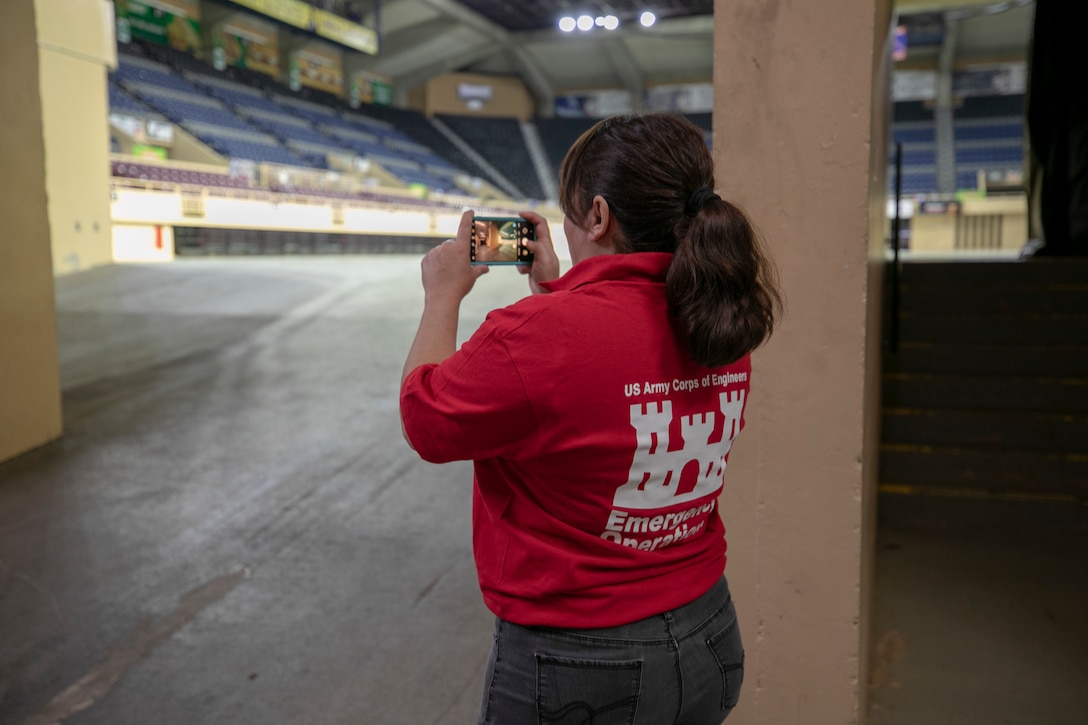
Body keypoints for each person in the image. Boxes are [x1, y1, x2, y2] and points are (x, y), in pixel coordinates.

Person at [400, 112, 781, 725]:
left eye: (574, 215)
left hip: (582, 658)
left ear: (598, 217)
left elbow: (427, 418)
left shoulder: (542, 336)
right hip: (709, 630)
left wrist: (443, 294)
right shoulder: (719, 317)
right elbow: (600, 379)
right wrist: (557, 288)